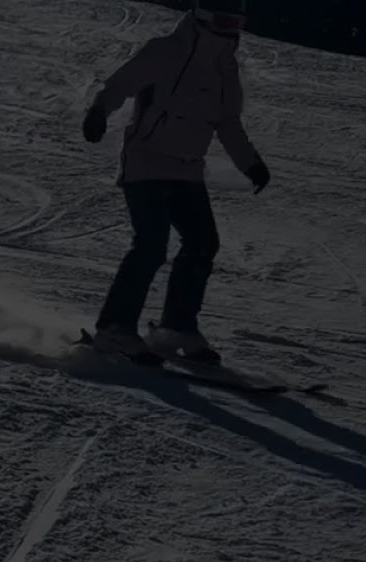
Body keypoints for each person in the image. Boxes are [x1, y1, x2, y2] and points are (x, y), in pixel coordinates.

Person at [82, 0, 269, 365]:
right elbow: (123, 82)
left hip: (187, 168)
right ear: (204, 17)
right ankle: (114, 329)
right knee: (151, 245)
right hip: (146, 162)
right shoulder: (166, 51)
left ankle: (176, 327)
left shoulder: (224, 69)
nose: (230, 28)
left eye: (236, 21)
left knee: (203, 242)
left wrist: (251, 163)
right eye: (224, 18)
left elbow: (227, 123)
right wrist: (100, 110)